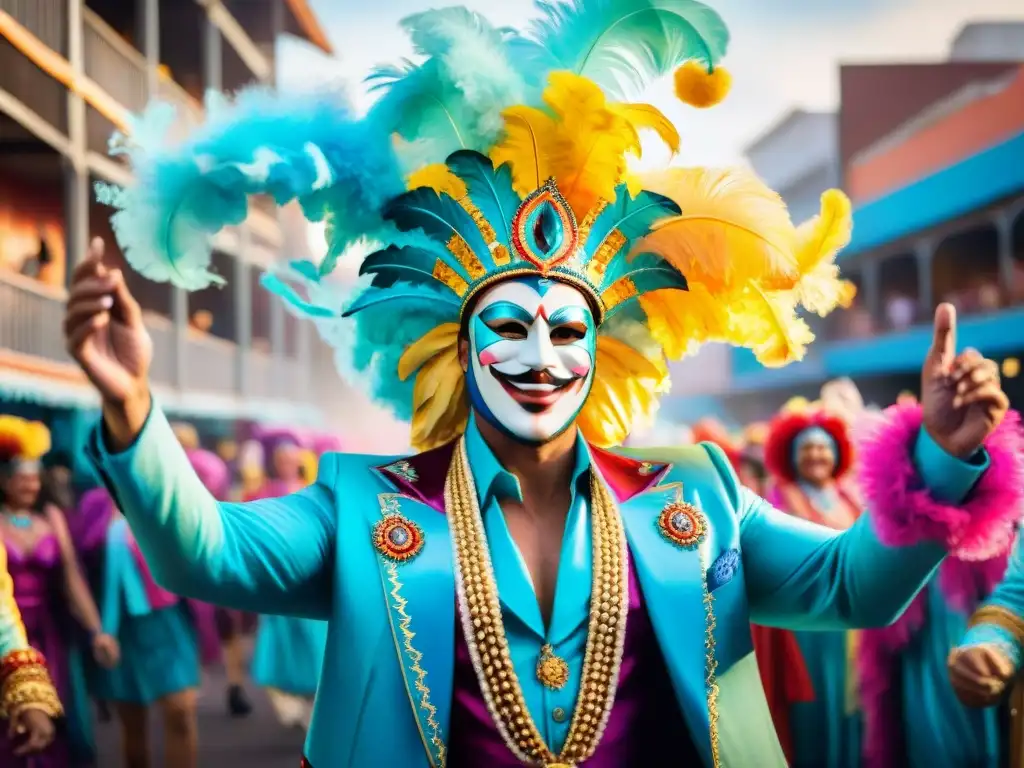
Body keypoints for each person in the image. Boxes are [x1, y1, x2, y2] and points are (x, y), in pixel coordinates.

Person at [67, 3, 1018, 765]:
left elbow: (851, 585)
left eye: (567, 329)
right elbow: (206, 553)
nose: (541, 355)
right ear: (457, 345)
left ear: (603, 352)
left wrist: (941, 456)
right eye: (509, 327)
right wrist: (131, 409)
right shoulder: (359, 503)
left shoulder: (697, 494)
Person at [0, 415, 119, 766]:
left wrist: (97, 630)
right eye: (22, 479)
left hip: (49, 633)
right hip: (8, 631)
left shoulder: (51, 517)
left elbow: (72, 580)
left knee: (57, 716)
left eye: (35, 479)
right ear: (4, 481)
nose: (31, 486)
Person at [77, 479, 218, 768]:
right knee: (133, 721)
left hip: (168, 621)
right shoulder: (94, 505)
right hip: (120, 628)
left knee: (181, 710)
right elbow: (80, 561)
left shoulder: (169, 496)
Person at [248, 431, 327, 731]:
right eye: (282, 460)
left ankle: (310, 705)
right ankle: (288, 700)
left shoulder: (312, 492)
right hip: (277, 580)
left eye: (292, 459)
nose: (288, 464)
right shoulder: (261, 493)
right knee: (278, 642)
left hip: (308, 578)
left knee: (313, 643)